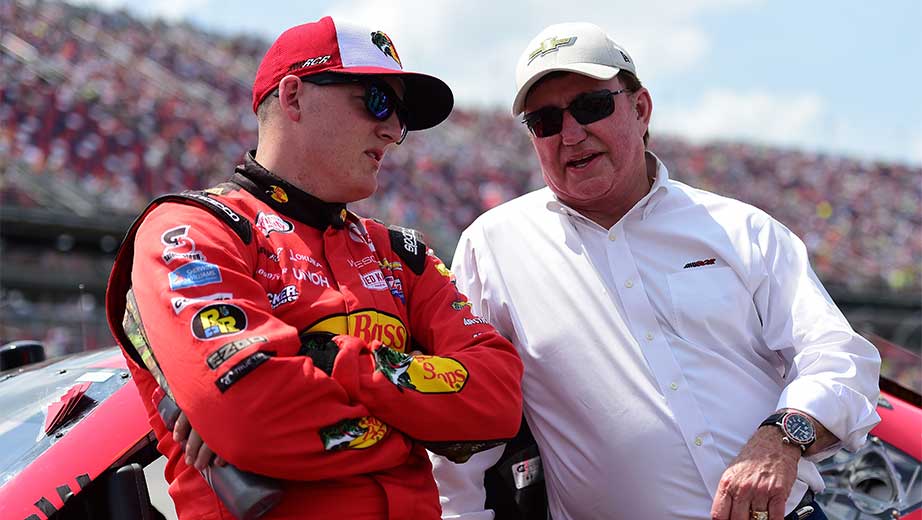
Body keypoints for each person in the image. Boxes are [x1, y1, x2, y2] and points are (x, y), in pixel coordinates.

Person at [430, 22, 881, 520]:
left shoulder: (742, 229)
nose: (572, 133)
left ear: (640, 108)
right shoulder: (493, 246)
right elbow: (463, 410)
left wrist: (781, 438)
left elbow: (841, 357)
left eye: (591, 106)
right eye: (545, 121)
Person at [105, 16, 523, 519]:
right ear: (294, 96)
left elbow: (498, 400)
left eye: (401, 116)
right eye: (377, 101)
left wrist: (327, 361)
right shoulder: (194, 230)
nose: (392, 131)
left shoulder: (399, 253)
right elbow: (249, 420)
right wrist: (418, 429)